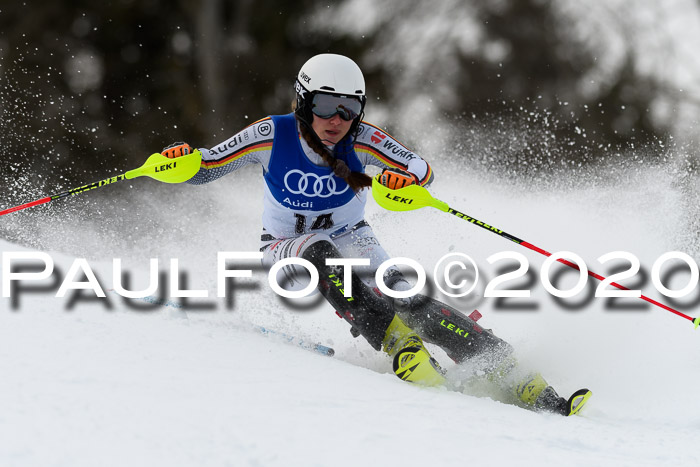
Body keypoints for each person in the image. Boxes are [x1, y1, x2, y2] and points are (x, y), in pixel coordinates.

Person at [161, 53, 590, 415]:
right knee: (320, 250)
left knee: (407, 297)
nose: (336, 119)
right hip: (284, 245)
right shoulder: (272, 134)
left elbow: (421, 169)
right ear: (303, 101)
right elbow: (207, 166)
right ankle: (400, 346)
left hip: (353, 233)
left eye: (349, 108)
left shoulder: (364, 139)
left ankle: (510, 370)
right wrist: (183, 159)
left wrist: (402, 180)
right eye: (326, 105)